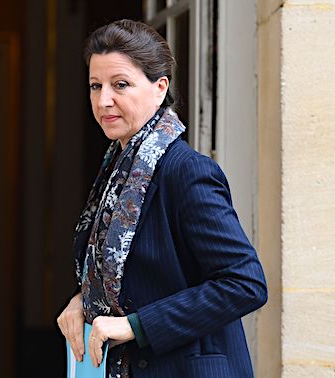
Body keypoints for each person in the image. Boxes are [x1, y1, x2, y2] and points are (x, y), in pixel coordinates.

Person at [57, 19, 267, 378]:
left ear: (159, 88)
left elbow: (245, 283)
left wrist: (137, 326)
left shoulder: (187, 172)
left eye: (120, 84)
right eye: (95, 86)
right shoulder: (117, 171)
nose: (103, 100)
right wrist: (84, 302)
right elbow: (128, 279)